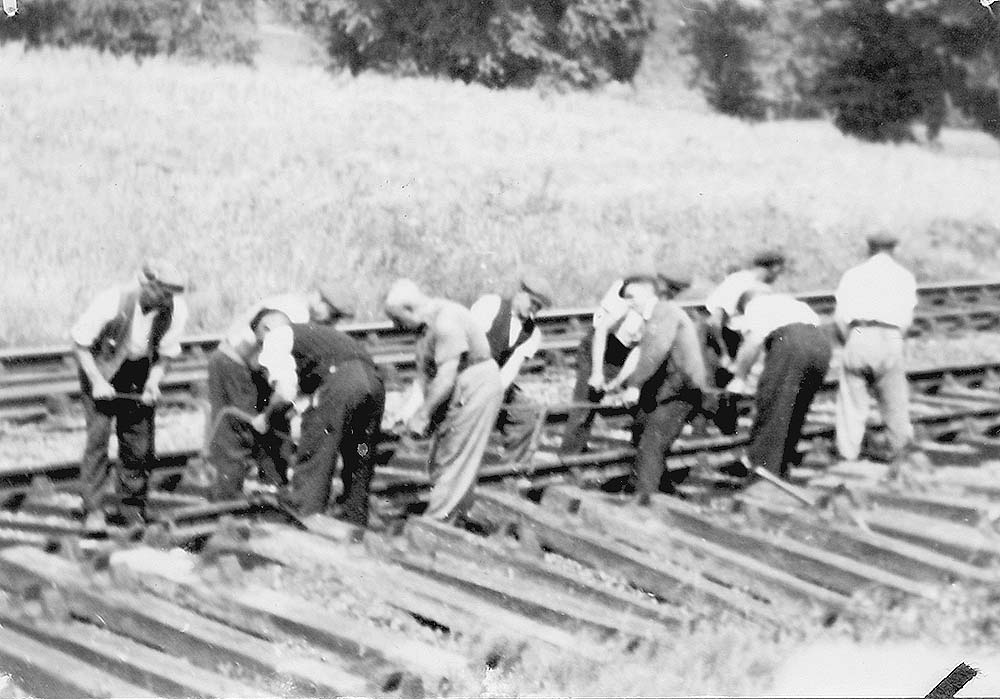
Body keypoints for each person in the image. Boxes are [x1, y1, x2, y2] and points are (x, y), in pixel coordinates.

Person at [71, 260, 189, 529]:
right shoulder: (112, 301)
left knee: (139, 444)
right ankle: (93, 510)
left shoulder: (176, 311)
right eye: (160, 292)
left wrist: (153, 384)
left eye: (169, 295)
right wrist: (97, 382)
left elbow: (166, 356)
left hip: (138, 371)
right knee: (98, 439)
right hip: (101, 365)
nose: (164, 300)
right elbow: (79, 344)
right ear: (144, 284)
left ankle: (132, 509)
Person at [205, 289, 351, 500]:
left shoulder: (304, 317)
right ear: (317, 300)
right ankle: (227, 497)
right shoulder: (294, 312)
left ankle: (273, 486)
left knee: (275, 420)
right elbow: (285, 365)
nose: (332, 322)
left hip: (260, 368)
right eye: (332, 314)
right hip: (235, 365)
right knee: (238, 430)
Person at [383, 279, 504, 522]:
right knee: (443, 454)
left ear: (409, 309)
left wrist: (422, 415)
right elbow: (424, 379)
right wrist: (405, 414)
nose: (395, 326)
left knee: (455, 454)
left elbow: (446, 378)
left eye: (397, 319)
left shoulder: (445, 321)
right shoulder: (425, 327)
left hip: (475, 383)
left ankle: (438, 522)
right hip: (460, 385)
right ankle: (451, 512)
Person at [253, 310, 384, 526]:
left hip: (343, 385)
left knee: (317, 449)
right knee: (360, 453)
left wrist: (266, 417)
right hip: (374, 386)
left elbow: (285, 391)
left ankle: (306, 517)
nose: (261, 347)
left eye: (260, 342)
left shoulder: (276, 336)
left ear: (266, 328)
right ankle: (355, 521)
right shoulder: (320, 336)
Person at [605, 273, 718, 504]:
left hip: (682, 389)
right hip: (667, 387)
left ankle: (644, 501)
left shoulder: (664, 311)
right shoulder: (653, 316)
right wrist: (618, 383)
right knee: (641, 427)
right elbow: (640, 352)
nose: (629, 303)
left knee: (651, 444)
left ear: (649, 293)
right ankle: (661, 488)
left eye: (632, 297)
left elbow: (656, 349)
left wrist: (634, 386)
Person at [726, 289, 831, 478]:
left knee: (773, 405)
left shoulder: (756, 304)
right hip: (821, 346)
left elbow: (752, 343)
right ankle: (782, 465)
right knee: (797, 408)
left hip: (792, 344)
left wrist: (739, 377)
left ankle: (763, 471)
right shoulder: (792, 303)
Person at [833, 233, 918, 464]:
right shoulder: (904, 276)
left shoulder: (853, 275)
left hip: (859, 332)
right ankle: (899, 453)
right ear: (894, 249)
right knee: (895, 402)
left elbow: (839, 319)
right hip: (890, 334)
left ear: (869, 249)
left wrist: (851, 341)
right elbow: (907, 321)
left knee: (851, 403)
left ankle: (847, 456)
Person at [560, 274, 658, 454]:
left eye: (633, 297)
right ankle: (569, 456)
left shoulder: (656, 311)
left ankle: (640, 454)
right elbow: (601, 331)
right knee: (585, 406)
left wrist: (620, 382)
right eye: (628, 297)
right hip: (597, 349)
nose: (630, 300)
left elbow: (638, 352)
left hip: (623, 354)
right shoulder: (625, 304)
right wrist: (597, 372)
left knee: (643, 400)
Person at [469, 271, 555, 460]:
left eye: (538, 308)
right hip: (468, 376)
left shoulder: (533, 334)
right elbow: (468, 346)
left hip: (495, 384)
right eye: (532, 303)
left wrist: (493, 395)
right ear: (521, 294)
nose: (533, 311)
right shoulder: (490, 306)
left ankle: (512, 467)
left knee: (525, 415)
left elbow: (510, 369)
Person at [703, 250, 786, 378]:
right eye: (779, 272)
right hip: (729, 344)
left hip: (752, 346)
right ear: (775, 268)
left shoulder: (765, 288)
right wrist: (724, 355)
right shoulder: (739, 281)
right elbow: (714, 321)